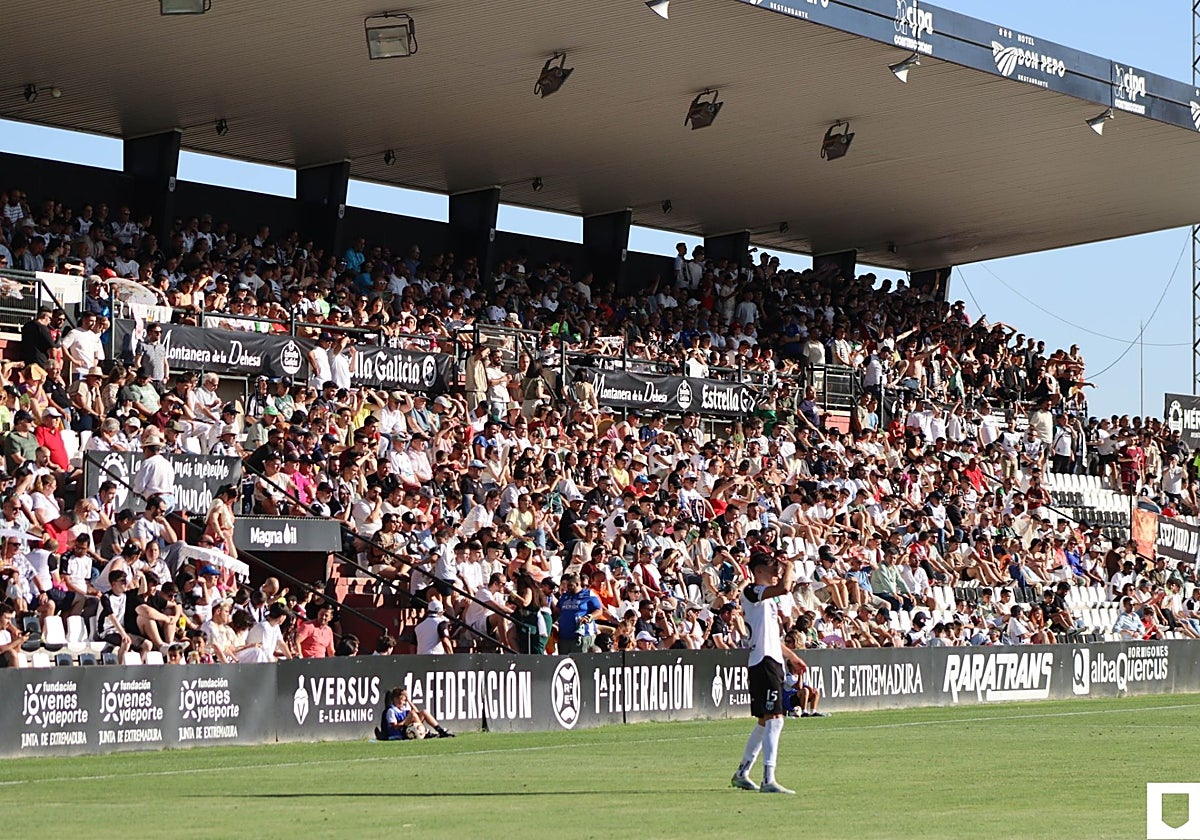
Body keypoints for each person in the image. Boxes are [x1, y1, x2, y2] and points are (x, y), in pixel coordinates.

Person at [731, 552, 806, 795]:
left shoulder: (766, 600)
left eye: (778, 568)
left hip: (771, 660)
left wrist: (792, 657)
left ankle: (742, 772)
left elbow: (772, 636)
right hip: (762, 662)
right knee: (776, 719)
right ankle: (768, 778)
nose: (776, 572)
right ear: (759, 569)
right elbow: (785, 588)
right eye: (773, 568)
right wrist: (790, 566)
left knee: (766, 721)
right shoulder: (752, 591)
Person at [376, 686, 454, 740]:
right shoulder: (391, 711)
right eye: (403, 700)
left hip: (408, 727)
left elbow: (417, 712)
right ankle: (423, 732)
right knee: (412, 714)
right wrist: (406, 720)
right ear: (396, 699)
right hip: (399, 733)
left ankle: (441, 731)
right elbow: (395, 727)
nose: (404, 702)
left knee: (423, 712)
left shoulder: (404, 708)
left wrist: (409, 701)